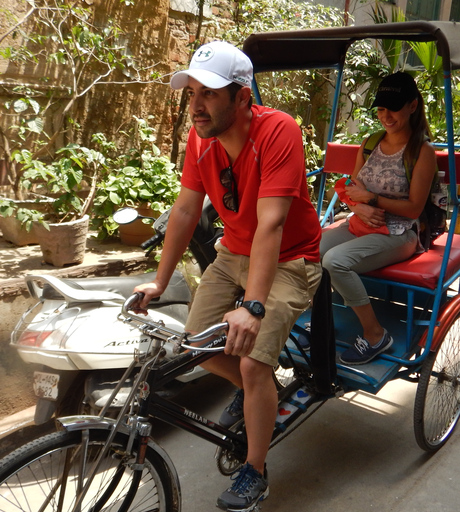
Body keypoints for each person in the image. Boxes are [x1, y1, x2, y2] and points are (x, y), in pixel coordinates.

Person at [132, 40, 322, 511]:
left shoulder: (279, 132)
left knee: (254, 360)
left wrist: (252, 307)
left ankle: (254, 469)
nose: (196, 105)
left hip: (291, 259)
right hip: (234, 250)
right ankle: (256, 392)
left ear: (243, 98)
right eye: (192, 91)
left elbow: (272, 226)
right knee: (195, 343)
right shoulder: (201, 139)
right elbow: (183, 211)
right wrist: (159, 281)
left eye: (210, 94)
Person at [320, 71, 437, 365]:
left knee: (335, 260)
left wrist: (372, 200)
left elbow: (413, 209)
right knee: (308, 247)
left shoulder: (421, 152)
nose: (386, 115)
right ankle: (321, 319)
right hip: (359, 224)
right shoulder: (370, 143)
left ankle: (375, 335)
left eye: (393, 108)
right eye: (381, 109)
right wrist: (358, 206)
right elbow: (352, 188)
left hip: (399, 234)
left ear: (412, 106)